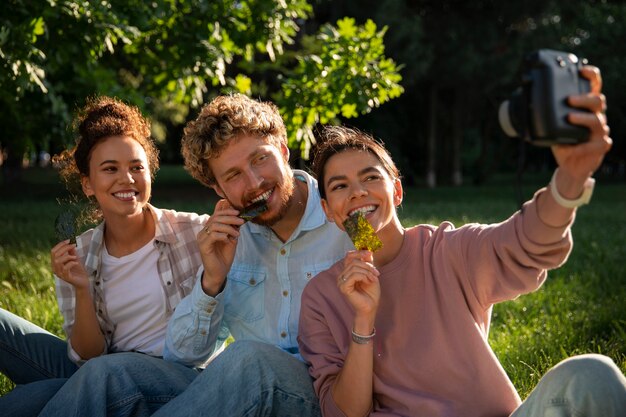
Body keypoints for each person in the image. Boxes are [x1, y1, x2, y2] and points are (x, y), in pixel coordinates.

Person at [297, 66, 626, 417]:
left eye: (370, 177)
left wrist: (571, 179)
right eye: (340, 186)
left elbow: (526, 243)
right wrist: (363, 321)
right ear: (328, 209)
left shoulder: (447, 251)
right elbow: (344, 412)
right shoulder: (321, 297)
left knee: (593, 374)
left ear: (396, 189)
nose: (358, 191)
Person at [37, 93, 354, 417]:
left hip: (329, 397)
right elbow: (184, 357)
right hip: (246, 396)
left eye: (260, 159)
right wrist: (211, 281)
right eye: (233, 175)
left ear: (283, 151)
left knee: (251, 359)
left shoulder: (350, 216)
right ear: (219, 190)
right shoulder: (228, 240)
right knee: (102, 375)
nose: (255, 181)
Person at [0, 96, 207, 416]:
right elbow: (89, 356)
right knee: (21, 403)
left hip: (176, 379)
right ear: (88, 185)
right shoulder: (80, 254)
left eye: (137, 167)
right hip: (102, 369)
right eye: (110, 169)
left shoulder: (192, 233)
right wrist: (81, 288)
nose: (127, 179)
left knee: (97, 375)